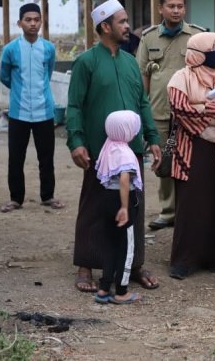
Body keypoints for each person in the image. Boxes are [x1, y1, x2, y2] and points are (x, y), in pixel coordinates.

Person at [67, 0, 162, 293]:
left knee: (134, 204)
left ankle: (132, 264)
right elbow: (74, 106)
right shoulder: (86, 62)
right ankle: (86, 263)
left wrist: (154, 138)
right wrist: (77, 141)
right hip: (99, 150)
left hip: (131, 150)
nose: (127, 26)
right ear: (105, 27)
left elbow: (143, 102)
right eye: (122, 22)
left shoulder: (131, 62)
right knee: (95, 204)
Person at [166, 32, 215, 280]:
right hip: (190, 148)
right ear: (197, 53)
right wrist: (214, 115)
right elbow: (181, 108)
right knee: (191, 203)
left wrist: (208, 112)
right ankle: (184, 261)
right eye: (212, 49)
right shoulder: (181, 78)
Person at [136, 0, 206, 231]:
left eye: (180, 6)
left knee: (192, 163)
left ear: (185, 8)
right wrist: (141, 112)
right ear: (160, 9)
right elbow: (142, 77)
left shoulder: (197, 36)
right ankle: (168, 212)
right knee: (163, 162)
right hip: (159, 112)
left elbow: (207, 74)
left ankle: (189, 211)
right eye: (171, 6)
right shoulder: (149, 38)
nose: (176, 10)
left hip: (191, 114)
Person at [0, 3, 65, 213]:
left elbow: (48, 72)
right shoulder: (10, 49)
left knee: (46, 157)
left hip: (44, 110)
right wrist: (20, 91)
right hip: (18, 111)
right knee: (15, 157)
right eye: (28, 20)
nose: (33, 23)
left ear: (41, 22)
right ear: (20, 23)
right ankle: (16, 198)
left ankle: (48, 195)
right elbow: (5, 76)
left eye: (36, 19)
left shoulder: (48, 48)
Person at [93, 110, 144, 305]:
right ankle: (121, 291)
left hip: (105, 199)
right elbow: (124, 179)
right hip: (121, 202)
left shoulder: (108, 147)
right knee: (126, 247)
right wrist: (124, 207)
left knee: (110, 245)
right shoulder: (125, 153)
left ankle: (104, 288)